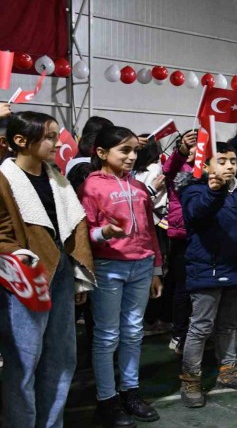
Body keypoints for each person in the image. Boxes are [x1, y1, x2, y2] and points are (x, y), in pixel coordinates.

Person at [0, 112, 95, 428]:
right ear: (20, 140)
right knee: (24, 361)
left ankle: (52, 424)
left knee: (62, 358)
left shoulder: (57, 178)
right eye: (49, 137)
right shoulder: (4, 178)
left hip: (60, 271)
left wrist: (76, 277)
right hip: (23, 276)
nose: (57, 144)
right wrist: (19, 256)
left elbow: (73, 226)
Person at [79, 126, 163, 426]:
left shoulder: (138, 187)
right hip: (108, 268)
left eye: (134, 151)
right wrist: (104, 232)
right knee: (106, 336)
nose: (131, 156)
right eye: (124, 150)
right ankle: (107, 400)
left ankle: (130, 392)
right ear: (102, 153)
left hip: (142, 266)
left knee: (133, 332)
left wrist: (156, 269)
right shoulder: (91, 186)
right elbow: (84, 232)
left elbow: (150, 230)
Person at [175, 142, 237, 408]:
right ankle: (190, 379)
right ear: (205, 165)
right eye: (222, 161)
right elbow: (197, 214)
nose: (229, 166)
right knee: (201, 327)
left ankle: (228, 371)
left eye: (233, 161)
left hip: (236, 269)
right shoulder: (194, 190)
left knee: (228, 325)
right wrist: (214, 191)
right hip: (207, 269)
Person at [133, 136, 171, 335]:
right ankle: (152, 319)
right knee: (158, 272)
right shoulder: (155, 169)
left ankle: (145, 319)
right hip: (156, 224)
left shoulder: (134, 172)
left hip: (139, 226)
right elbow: (155, 201)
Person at [163, 130, 197, 354]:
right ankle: (178, 333)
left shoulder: (208, 168)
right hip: (182, 234)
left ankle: (197, 332)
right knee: (182, 288)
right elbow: (170, 168)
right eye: (191, 144)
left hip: (204, 234)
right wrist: (183, 150)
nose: (195, 149)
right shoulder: (178, 167)